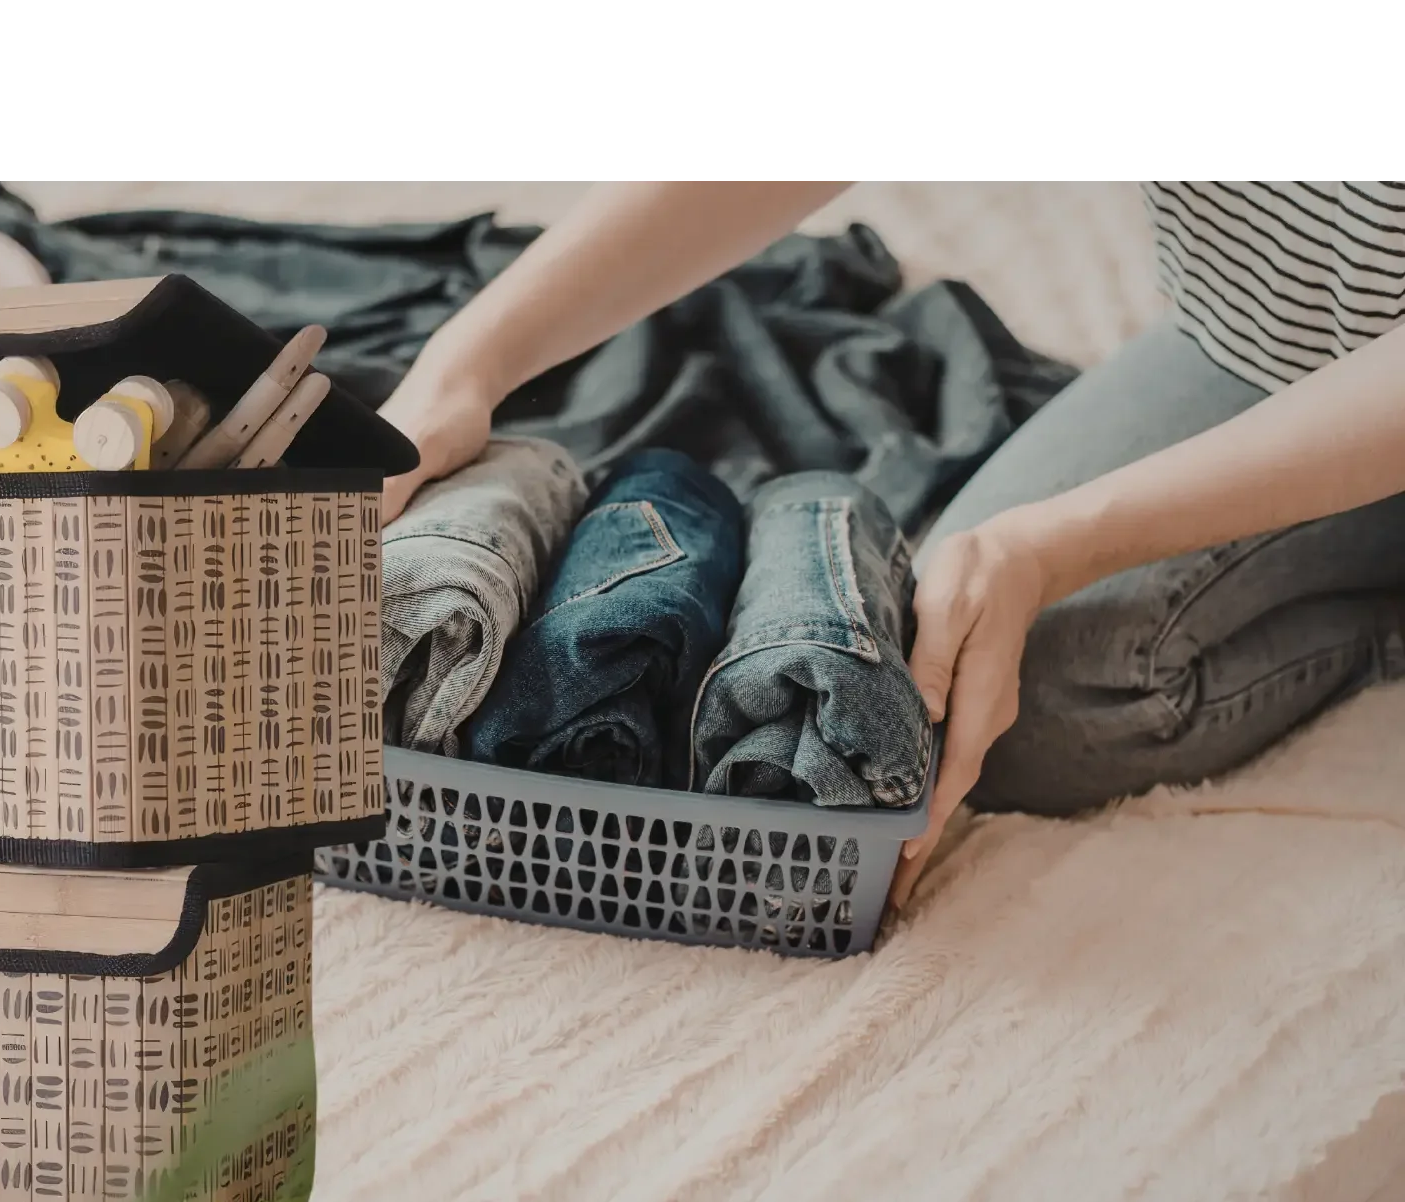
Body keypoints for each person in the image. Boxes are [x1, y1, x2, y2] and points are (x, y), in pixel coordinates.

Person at [374, 179, 1405, 910]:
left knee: (1038, 702)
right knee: (954, 657)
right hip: (1249, 337)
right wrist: (465, 364)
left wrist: (1059, 544)